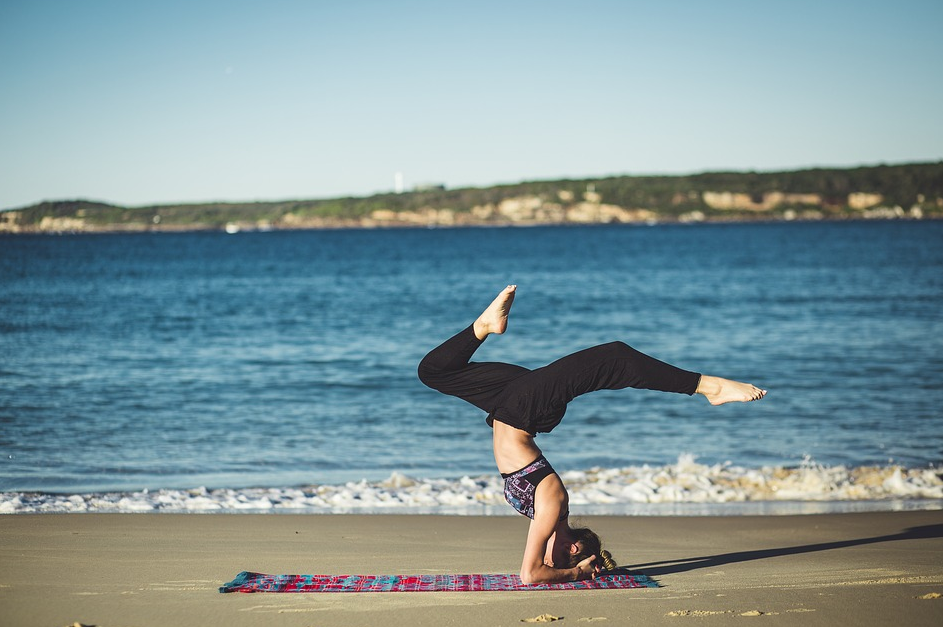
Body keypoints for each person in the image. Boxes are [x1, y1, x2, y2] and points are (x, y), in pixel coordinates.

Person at [417, 285, 766, 584]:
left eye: (550, 561)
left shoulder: (544, 516)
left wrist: (582, 568)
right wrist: (576, 573)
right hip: (526, 409)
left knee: (434, 371)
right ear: (572, 547)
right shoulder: (552, 503)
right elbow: (531, 574)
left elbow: (534, 570)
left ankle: (485, 326)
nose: (544, 557)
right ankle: (710, 387)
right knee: (616, 356)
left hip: (508, 405)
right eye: (553, 558)